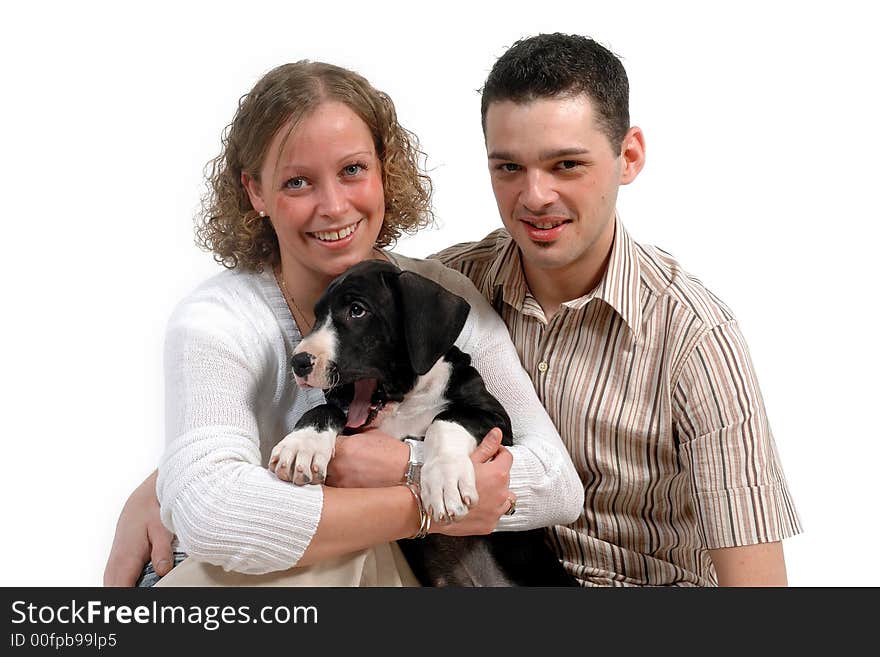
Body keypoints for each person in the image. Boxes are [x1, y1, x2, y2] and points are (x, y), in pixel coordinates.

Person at [103, 60, 583, 587]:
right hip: (284, 576)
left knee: (335, 551)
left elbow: (556, 483)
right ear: (255, 192)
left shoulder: (432, 296)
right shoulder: (218, 320)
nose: (333, 206)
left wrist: (400, 463)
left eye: (353, 169)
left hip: (384, 573)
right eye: (297, 181)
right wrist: (421, 500)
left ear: (384, 170)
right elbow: (214, 513)